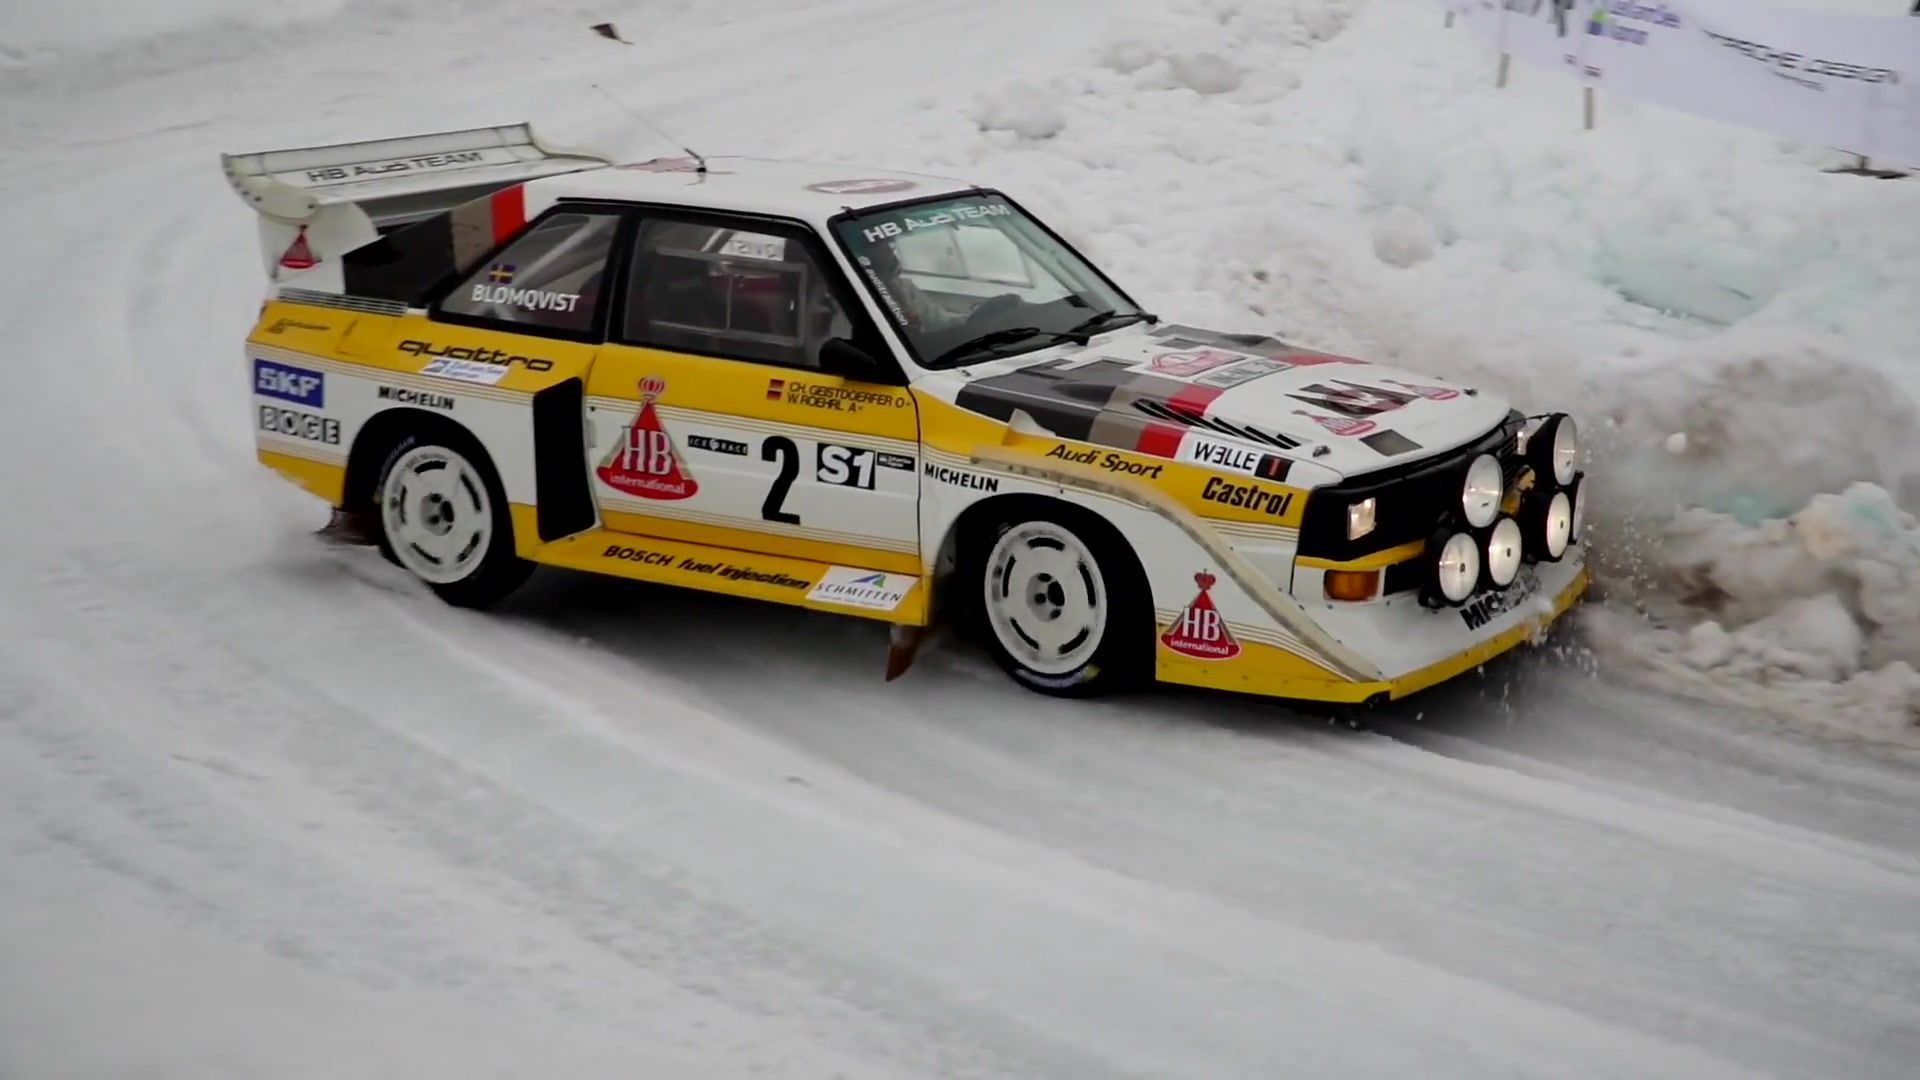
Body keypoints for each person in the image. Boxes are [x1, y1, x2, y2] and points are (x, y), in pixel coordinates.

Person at [862, 242, 965, 332]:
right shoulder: (863, 294)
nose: (892, 255)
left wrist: (969, 319)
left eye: (890, 249)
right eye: (884, 250)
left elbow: (939, 319)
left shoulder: (906, 287)